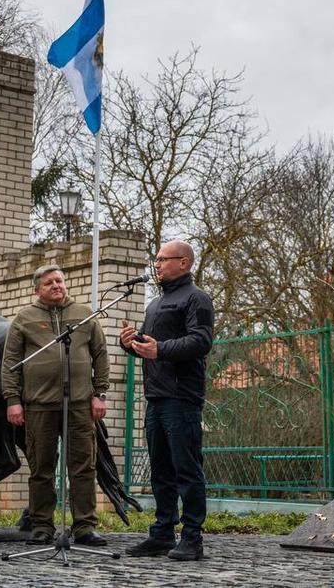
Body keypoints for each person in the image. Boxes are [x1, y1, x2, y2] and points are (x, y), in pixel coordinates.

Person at [119, 240, 214, 561]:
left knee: (186, 469)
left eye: (162, 259)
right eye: (156, 259)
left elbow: (200, 341)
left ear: (184, 263)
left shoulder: (196, 298)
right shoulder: (156, 303)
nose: (156, 264)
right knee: (160, 470)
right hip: (156, 396)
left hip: (182, 397)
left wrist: (160, 349)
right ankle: (161, 533)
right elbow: (150, 344)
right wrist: (130, 344)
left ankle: (192, 538)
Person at [2, 265, 109, 546]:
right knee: (41, 468)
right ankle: (42, 526)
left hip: (79, 405)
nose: (57, 285)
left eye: (60, 281)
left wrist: (100, 394)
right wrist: (13, 400)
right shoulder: (24, 318)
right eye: (49, 282)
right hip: (39, 405)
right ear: (37, 289)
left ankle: (85, 526)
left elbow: (100, 355)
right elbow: (10, 362)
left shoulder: (85, 315)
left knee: (83, 467)